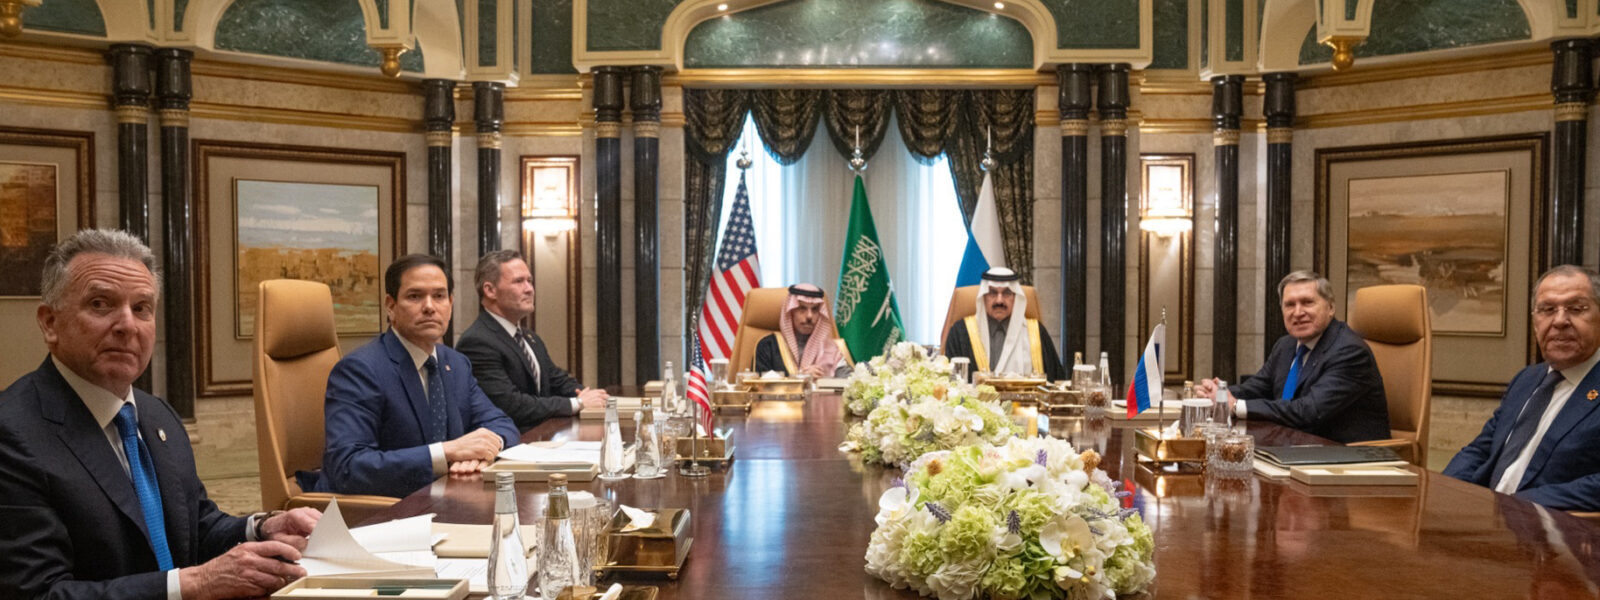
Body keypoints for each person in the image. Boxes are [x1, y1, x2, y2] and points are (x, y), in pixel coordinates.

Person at [0, 229, 320, 599]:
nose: (127, 325)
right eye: (100, 304)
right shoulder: (13, 434)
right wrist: (195, 584)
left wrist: (261, 528)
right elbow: (39, 593)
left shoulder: (157, 415)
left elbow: (194, 528)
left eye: (141, 308)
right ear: (50, 323)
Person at [314, 254, 520, 499]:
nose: (430, 306)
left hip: (447, 499)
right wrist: (446, 453)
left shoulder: (456, 363)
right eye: (415, 296)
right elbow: (348, 467)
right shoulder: (360, 369)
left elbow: (502, 424)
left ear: (451, 303)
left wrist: (483, 450)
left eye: (439, 296)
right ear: (391, 306)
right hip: (383, 509)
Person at [1443, 265, 1600, 511]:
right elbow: (1481, 450)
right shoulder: (1526, 379)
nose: (1560, 321)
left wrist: (1514, 506)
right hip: (1485, 517)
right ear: (1535, 322)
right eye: (1547, 310)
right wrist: (1444, 491)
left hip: (1550, 526)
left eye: (1576, 308)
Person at [1198, 270, 1389, 443]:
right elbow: (1256, 388)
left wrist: (1234, 406)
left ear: (1330, 308)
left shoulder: (1349, 351)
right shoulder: (1286, 345)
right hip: (1294, 447)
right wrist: (1217, 395)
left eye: (1307, 302)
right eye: (1290, 305)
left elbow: (1309, 411)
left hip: (1344, 456)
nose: (1298, 313)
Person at [457, 250, 607, 431]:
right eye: (519, 281)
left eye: (529, 281)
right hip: (510, 442)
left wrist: (590, 396)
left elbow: (557, 380)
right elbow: (511, 405)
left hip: (542, 437)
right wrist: (577, 403)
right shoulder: (477, 342)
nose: (529, 289)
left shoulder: (529, 337)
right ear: (490, 290)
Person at [941, 267, 1066, 381]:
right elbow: (951, 383)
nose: (999, 300)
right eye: (992, 293)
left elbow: (1056, 381)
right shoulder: (961, 332)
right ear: (983, 297)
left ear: (1016, 297)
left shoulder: (1036, 332)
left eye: (1007, 293)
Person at [752, 284, 852, 378]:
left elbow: (850, 382)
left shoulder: (831, 349)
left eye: (815, 309)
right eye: (802, 308)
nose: (809, 316)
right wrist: (800, 378)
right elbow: (761, 385)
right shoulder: (768, 346)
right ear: (791, 312)